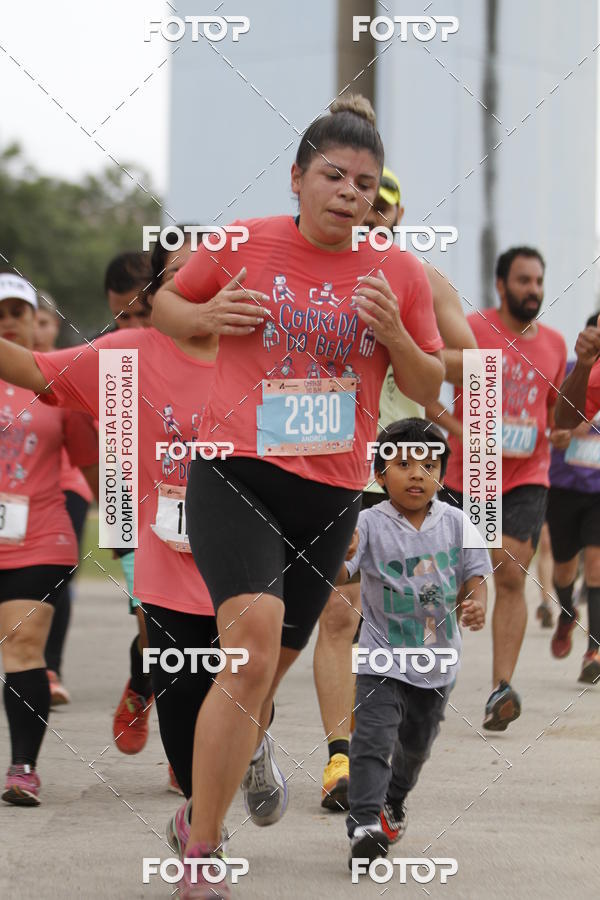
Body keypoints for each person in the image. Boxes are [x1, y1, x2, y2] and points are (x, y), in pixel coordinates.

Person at [151, 94, 445, 898]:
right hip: (236, 470)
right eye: (334, 175)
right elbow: (167, 304)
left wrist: (392, 335)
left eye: (366, 183)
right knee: (249, 650)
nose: (350, 192)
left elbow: (429, 382)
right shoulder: (244, 241)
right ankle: (203, 852)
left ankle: (199, 804)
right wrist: (206, 312)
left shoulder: (399, 271)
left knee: (258, 678)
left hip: (331, 494)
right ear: (298, 178)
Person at [314, 165, 477, 810]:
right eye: (363, 218)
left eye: (385, 220)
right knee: (335, 613)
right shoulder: (309, 272)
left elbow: (472, 361)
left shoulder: (421, 279)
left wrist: (406, 342)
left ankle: (393, 755)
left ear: (399, 221)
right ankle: (339, 759)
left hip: (399, 465)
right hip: (329, 463)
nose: (372, 229)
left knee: (402, 616)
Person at [338, 418, 490, 867]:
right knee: (371, 738)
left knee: (415, 745)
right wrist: (337, 553)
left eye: (428, 464)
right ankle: (364, 825)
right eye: (402, 463)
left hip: (438, 659)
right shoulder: (367, 523)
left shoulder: (458, 523)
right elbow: (339, 575)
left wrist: (477, 604)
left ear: (443, 473)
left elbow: (476, 577)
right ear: (380, 475)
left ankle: (394, 798)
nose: (417, 473)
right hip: (380, 656)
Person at [439, 247, 567, 731]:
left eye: (538, 280)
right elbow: (427, 390)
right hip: (468, 471)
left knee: (511, 572)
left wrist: (557, 431)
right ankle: (431, 676)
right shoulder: (469, 330)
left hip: (525, 474)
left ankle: (501, 689)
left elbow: (554, 410)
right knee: (455, 584)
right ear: (501, 284)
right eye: (523, 280)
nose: (533, 289)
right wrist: (462, 428)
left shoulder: (554, 345)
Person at [0, 270, 98, 806]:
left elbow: (92, 472)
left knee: (22, 644)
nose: (8, 324)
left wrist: (130, 534)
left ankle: (22, 768)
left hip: (38, 538)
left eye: (16, 313)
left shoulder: (56, 382)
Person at [33, 290, 95, 705]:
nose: (35, 330)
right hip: (17, 492)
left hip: (67, 488)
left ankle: (49, 668)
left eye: (43, 322)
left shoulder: (65, 371)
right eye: (26, 320)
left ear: (56, 326)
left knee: (57, 580)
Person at [546, 314, 600, 683]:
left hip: (598, 490)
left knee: (596, 567)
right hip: (564, 485)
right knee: (564, 569)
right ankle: (566, 612)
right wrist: (561, 433)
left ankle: (594, 650)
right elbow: (553, 421)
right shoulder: (570, 369)